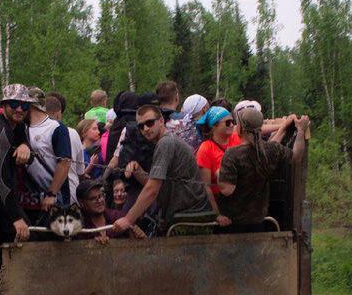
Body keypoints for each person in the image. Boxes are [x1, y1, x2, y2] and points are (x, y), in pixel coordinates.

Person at [112, 103, 209, 236]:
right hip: (185, 216)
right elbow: (154, 183)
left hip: (189, 218)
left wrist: (128, 219)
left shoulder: (165, 143)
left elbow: (152, 189)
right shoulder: (164, 142)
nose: (145, 128)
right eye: (141, 126)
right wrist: (138, 170)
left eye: (150, 123)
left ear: (161, 121)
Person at [216, 108, 310, 231]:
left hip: (231, 223)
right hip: (259, 219)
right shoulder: (272, 150)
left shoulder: (233, 154)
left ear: (240, 128)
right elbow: (296, 156)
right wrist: (301, 131)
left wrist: (219, 174)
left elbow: (226, 189)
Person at [0, 84, 36, 243]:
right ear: (3, 105)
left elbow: (30, 155)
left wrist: (25, 146)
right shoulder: (1, 132)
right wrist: (15, 218)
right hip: (0, 205)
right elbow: (0, 178)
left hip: (10, 199)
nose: (20, 109)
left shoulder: (18, 125)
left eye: (24, 105)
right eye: (14, 104)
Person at [22, 91, 74, 227]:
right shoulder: (22, 128)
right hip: (30, 198)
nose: (19, 109)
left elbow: (64, 163)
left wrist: (52, 193)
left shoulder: (55, 127)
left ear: (30, 105)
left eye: (21, 105)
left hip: (55, 197)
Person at [194, 106, 241, 221]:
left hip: (242, 203)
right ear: (214, 126)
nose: (231, 125)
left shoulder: (238, 138)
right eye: (227, 122)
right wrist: (217, 214)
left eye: (233, 122)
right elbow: (206, 186)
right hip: (222, 205)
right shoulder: (206, 149)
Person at [77, 178, 143, 244]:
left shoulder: (119, 216)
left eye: (100, 196)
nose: (100, 201)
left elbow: (143, 243)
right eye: (93, 199)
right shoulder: (78, 226)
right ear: (81, 203)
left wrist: (137, 236)